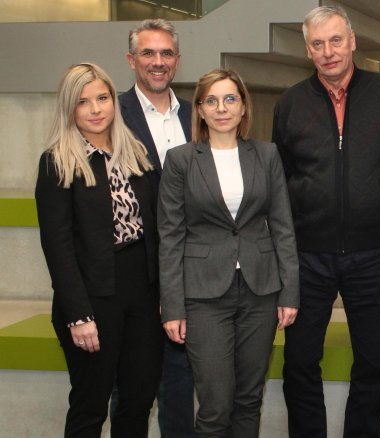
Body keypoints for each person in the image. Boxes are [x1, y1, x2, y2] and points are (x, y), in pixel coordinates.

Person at [272, 5, 380, 437]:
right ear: (308, 50)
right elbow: (281, 177)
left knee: (372, 362)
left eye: (336, 40)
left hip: (372, 254)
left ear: (352, 41)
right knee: (298, 363)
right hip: (307, 257)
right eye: (318, 44)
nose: (329, 51)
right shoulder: (290, 102)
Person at [158, 68, 299, 437]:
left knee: (249, 400)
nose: (222, 108)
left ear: (242, 107)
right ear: (201, 110)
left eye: (230, 99)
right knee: (216, 405)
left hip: (260, 292)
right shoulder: (181, 160)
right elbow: (170, 236)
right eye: (211, 100)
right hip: (203, 296)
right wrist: (172, 305)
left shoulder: (266, 155)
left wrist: (289, 292)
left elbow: (283, 227)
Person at [35, 62, 164, 437]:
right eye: (83, 101)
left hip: (143, 291)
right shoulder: (57, 162)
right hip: (91, 299)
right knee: (91, 406)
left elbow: (153, 230)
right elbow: (56, 246)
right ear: (69, 108)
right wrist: (78, 316)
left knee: (138, 400)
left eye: (103, 98)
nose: (96, 109)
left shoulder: (135, 153)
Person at [119, 18, 194, 436]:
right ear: (132, 60)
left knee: (181, 380)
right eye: (148, 53)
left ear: (178, 60)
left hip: (189, 267)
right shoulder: (112, 113)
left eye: (166, 53)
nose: (158, 61)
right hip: (135, 269)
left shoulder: (197, 113)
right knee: (131, 382)